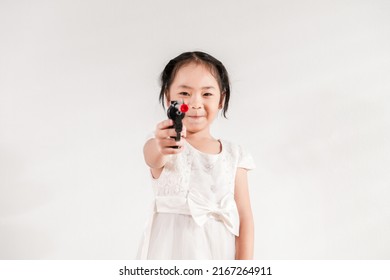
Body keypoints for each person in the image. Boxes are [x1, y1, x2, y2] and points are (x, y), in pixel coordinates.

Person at [137, 51, 255, 260]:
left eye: (207, 94)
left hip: (219, 252)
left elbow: (244, 217)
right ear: (168, 97)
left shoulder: (234, 154)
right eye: (184, 93)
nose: (195, 103)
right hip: (171, 251)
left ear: (221, 99)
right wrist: (162, 144)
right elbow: (153, 156)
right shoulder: (163, 141)